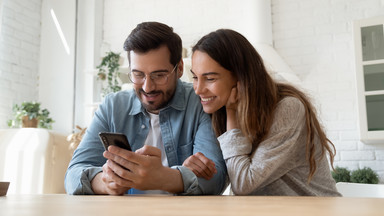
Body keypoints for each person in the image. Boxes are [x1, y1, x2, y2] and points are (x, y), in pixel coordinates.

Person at [64, 22, 227, 195]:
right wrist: (106, 183)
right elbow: (72, 176)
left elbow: (216, 179)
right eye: (138, 74)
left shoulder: (200, 103)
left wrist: (162, 177)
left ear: (179, 69)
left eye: (159, 75)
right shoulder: (112, 107)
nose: (148, 87)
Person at [190, 29, 341, 196]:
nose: (198, 89)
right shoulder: (219, 111)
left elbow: (243, 184)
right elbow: (231, 174)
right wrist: (194, 169)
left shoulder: (288, 108)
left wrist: (232, 113)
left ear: (240, 77)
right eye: (195, 77)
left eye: (210, 78)